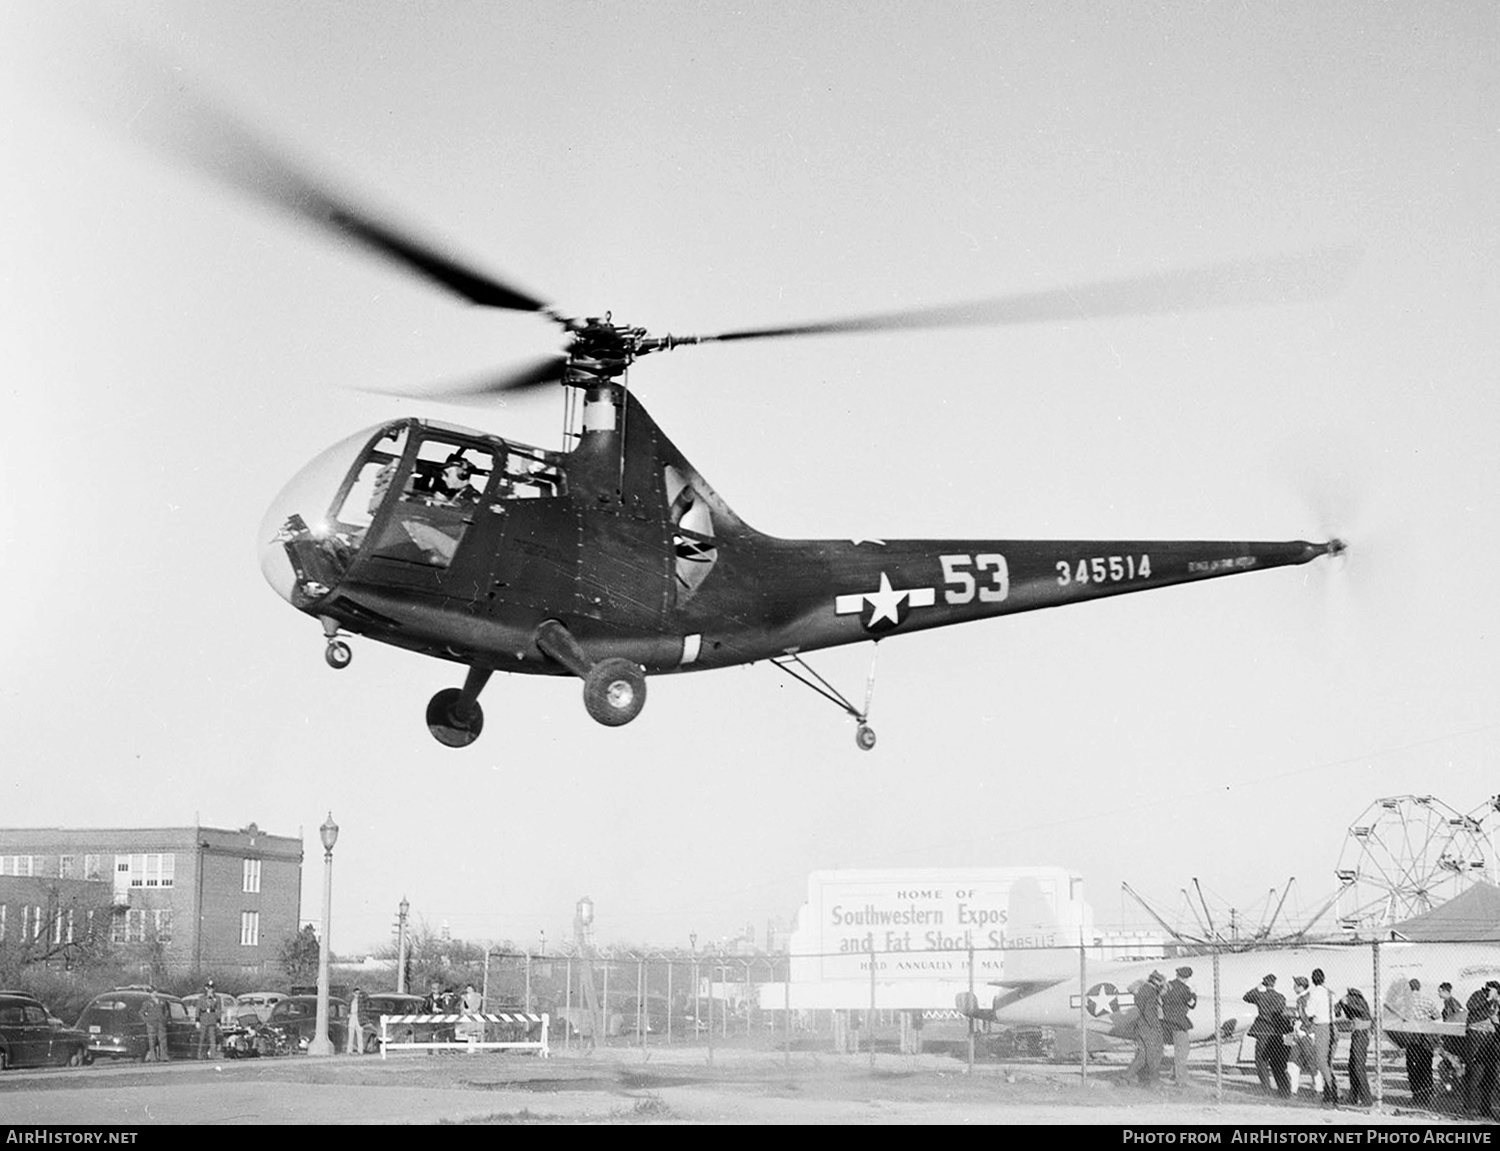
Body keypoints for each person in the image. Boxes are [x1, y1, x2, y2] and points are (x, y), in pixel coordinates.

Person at [1244, 973, 1291, 1097]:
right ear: (1274, 983)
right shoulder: (1281, 997)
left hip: (1263, 1030)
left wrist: (1257, 987)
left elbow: (1246, 997)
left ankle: (1266, 1087)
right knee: (1278, 1061)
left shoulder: (1260, 996)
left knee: (1261, 1060)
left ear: (1265, 983)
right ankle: (1285, 1088)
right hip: (1276, 1030)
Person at [1463, 981, 1500, 1118]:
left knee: (1489, 1073)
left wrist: (1496, 1020)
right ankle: (1471, 1108)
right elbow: (1470, 1006)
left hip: (1490, 1039)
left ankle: (1485, 1107)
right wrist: (1487, 999)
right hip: (1476, 1035)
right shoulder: (1479, 995)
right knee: (1475, 1072)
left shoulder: (1496, 1004)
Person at [1402, 977, 1440, 1106]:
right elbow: (1437, 1016)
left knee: (1412, 1066)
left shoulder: (1405, 1002)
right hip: (1426, 1037)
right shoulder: (1427, 1000)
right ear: (1419, 987)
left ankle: (1416, 1094)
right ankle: (1426, 1095)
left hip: (1411, 1037)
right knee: (1425, 1066)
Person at [1125, 971, 1165, 1086]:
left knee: (1142, 1055)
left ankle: (1127, 1077)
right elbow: (1149, 1011)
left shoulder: (1143, 990)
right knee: (1154, 1053)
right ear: (1156, 981)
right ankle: (1154, 1080)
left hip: (1142, 1025)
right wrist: (1155, 1026)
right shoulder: (1151, 992)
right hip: (1149, 1026)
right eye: (1160, 982)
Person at [1306, 968, 1339, 1106]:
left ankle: (1333, 1090)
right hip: (1333, 1028)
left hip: (1322, 1027)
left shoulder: (1315, 994)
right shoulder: (1330, 993)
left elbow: (1309, 1012)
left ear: (1313, 980)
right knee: (1328, 1062)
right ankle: (1329, 1092)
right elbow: (1337, 1010)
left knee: (1321, 1062)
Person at [1161, 966, 1197, 1086]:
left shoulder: (1168, 986)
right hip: (1179, 1022)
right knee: (1183, 1050)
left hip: (1166, 1021)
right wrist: (1193, 994)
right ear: (1186, 977)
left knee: (1179, 1049)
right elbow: (1191, 1004)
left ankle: (1176, 1073)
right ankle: (1180, 1078)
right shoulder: (1185, 989)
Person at [1337, 986, 1373, 1106]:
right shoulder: (1358, 1002)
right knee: (1352, 1066)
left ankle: (1366, 1099)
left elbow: (1360, 1011)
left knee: (1358, 1066)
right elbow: (1341, 1013)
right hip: (1357, 1033)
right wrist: (1342, 1005)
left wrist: (1346, 1002)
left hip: (1361, 1034)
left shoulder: (1359, 1003)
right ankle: (1353, 1097)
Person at [140, 988, 169, 1063]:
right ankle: (153, 1058)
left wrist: (165, 1018)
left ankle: (164, 1057)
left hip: (161, 1023)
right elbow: (141, 1012)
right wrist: (147, 1021)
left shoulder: (162, 1001)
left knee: (163, 1041)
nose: (154, 994)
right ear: (150, 994)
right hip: (151, 1024)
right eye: (152, 993)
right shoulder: (147, 1003)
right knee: (152, 1042)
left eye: (155, 992)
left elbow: (166, 1011)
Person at [196, 980, 221, 1060]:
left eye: (212, 988)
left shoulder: (217, 998)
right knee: (202, 1038)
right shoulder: (201, 998)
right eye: (209, 988)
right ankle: (200, 1055)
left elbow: (218, 1010)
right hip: (203, 1019)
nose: (211, 990)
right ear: (206, 988)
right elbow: (198, 1009)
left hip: (212, 1020)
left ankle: (213, 1055)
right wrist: (197, 1020)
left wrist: (218, 1020)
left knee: (212, 1038)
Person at [346, 986, 364, 1056]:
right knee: (351, 1034)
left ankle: (360, 1050)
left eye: (358, 993)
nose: (357, 995)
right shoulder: (350, 1001)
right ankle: (349, 1050)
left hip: (358, 1017)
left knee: (359, 1034)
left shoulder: (361, 1001)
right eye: (356, 993)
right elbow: (348, 1008)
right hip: (352, 1016)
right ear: (353, 993)